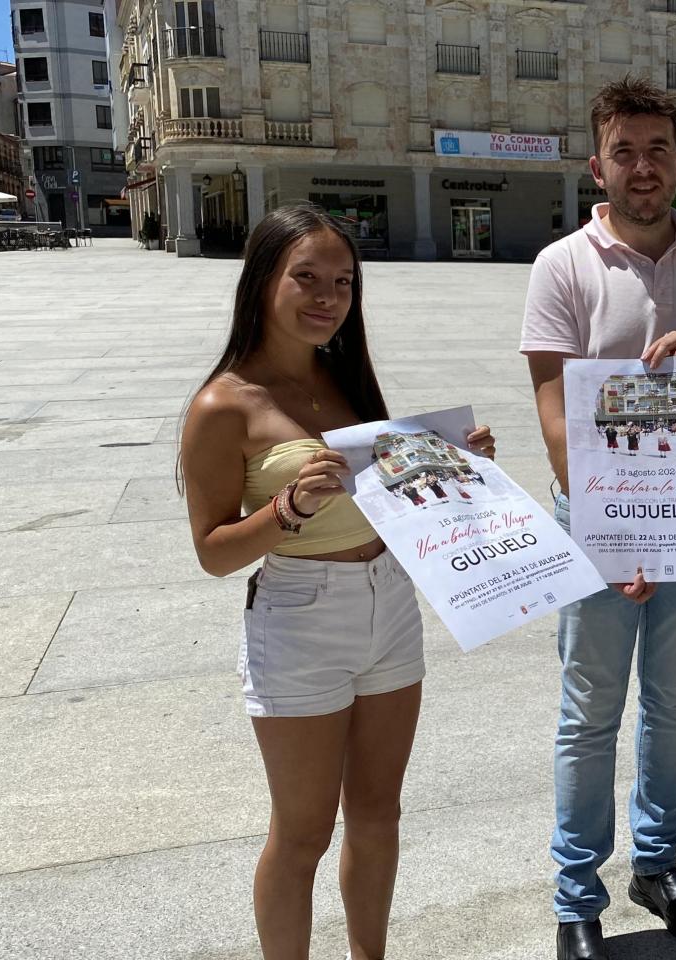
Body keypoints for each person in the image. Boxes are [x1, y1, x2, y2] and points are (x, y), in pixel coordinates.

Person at [178, 205, 496, 960]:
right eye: (307, 278)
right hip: (300, 616)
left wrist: (459, 464)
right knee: (302, 833)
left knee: (379, 814)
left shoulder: (346, 379)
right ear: (262, 282)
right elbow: (214, 553)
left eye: (344, 282)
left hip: (390, 604)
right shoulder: (224, 405)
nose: (328, 297)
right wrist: (289, 506)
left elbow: (389, 498)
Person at [520, 77, 676, 960]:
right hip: (597, 518)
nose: (642, 167)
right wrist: (608, 532)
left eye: (657, 150)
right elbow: (554, 412)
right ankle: (575, 897)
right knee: (589, 710)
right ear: (599, 163)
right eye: (624, 151)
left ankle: (658, 865)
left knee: (673, 702)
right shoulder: (563, 266)